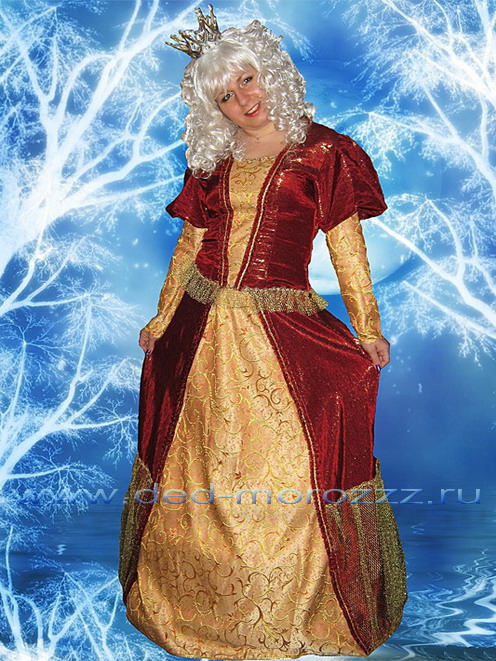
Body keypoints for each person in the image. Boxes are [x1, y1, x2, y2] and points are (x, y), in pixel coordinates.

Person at [118, 5, 408, 658]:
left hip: (281, 330)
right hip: (199, 330)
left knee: (285, 466)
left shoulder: (326, 151)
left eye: (246, 80)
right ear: (212, 107)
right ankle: (195, 607)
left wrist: (368, 327)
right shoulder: (212, 160)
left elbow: (347, 247)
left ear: (269, 73)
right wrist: (160, 319)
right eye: (224, 94)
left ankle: (292, 611)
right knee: (198, 469)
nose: (241, 100)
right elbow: (190, 244)